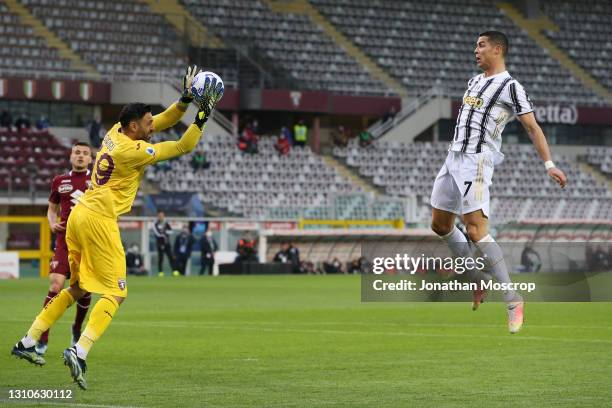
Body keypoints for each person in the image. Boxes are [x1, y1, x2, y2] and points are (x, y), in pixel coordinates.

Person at [11, 65, 223, 389]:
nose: (154, 125)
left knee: (79, 288)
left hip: (79, 216)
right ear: (135, 126)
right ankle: (80, 351)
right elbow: (183, 146)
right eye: (148, 122)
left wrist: (183, 100)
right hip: (98, 220)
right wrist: (202, 114)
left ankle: (29, 340)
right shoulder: (132, 151)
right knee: (117, 292)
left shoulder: (115, 133)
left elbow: (163, 121)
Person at [429, 31, 567, 334]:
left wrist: (549, 164)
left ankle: (512, 299)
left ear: (497, 49)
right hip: (452, 157)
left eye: (481, 45)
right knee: (440, 225)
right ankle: (478, 281)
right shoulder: (475, 81)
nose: (475, 50)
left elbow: (532, 127)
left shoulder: (511, 86)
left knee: (476, 230)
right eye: (476, 45)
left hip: (476, 162)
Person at [35, 142, 93, 357]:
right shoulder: (60, 180)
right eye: (77, 152)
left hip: (87, 241)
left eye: (85, 154)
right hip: (63, 240)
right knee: (56, 285)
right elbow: (52, 209)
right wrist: (51, 223)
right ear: (71, 156)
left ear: (90, 159)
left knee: (84, 288)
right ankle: (42, 337)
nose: (80, 156)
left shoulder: (96, 181)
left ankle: (77, 328)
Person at [153, 210, 177, 277]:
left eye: (162, 216)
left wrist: (165, 232)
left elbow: (171, 231)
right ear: (158, 216)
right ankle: (160, 272)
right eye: (160, 216)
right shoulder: (155, 224)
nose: (161, 217)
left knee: (171, 257)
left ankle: (174, 271)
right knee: (161, 258)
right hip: (160, 244)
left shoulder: (166, 223)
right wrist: (164, 233)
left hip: (167, 243)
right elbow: (157, 234)